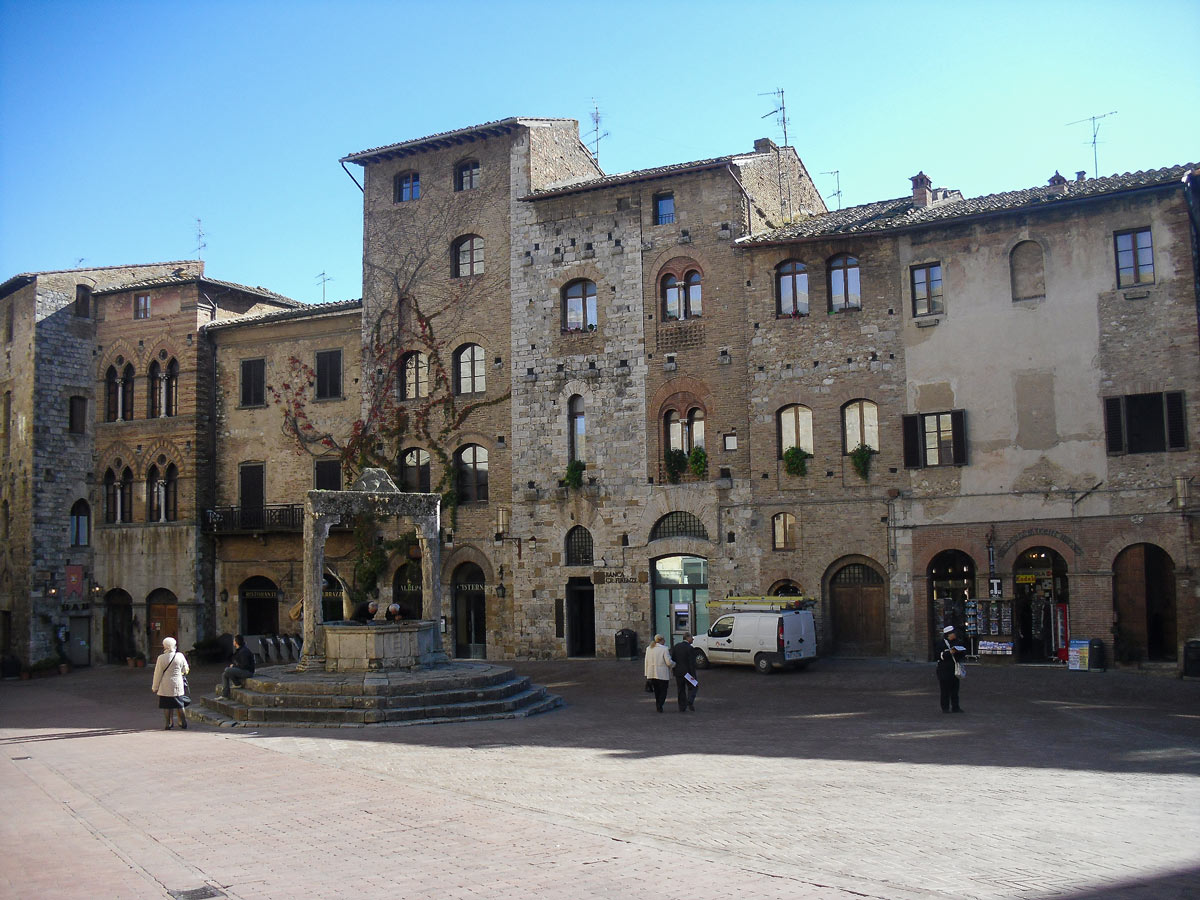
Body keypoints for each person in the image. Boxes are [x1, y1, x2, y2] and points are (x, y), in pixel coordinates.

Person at [151, 637, 190, 730]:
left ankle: (168, 723)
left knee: (167, 705)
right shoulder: (180, 656)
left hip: (165, 685)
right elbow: (185, 669)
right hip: (177, 683)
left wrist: (155, 686)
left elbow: (158, 674)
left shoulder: (161, 658)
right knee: (180, 704)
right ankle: (183, 722)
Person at [936, 625, 965, 713]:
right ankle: (945, 707)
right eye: (953, 633)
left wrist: (960, 652)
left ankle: (955, 707)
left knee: (955, 689)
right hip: (944, 670)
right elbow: (939, 656)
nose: (955, 634)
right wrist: (950, 653)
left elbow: (962, 654)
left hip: (954, 669)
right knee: (945, 690)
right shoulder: (941, 644)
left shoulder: (957, 642)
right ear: (948, 635)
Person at [643, 633, 675, 713]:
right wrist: (674, 664)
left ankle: (658, 704)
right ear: (662, 640)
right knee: (663, 691)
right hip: (662, 673)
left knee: (657, 691)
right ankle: (660, 704)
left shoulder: (649, 648)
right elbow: (668, 662)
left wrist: (647, 674)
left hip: (652, 673)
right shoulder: (664, 649)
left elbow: (646, 662)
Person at [670, 632, 698, 712]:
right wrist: (693, 675)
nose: (692, 639)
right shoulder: (690, 648)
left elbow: (673, 659)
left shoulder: (676, 646)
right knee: (694, 686)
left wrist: (674, 670)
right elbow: (691, 663)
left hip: (678, 672)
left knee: (680, 689)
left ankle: (682, 706)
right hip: (688, 673)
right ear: (687, 638)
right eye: (691, 637)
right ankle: (690, 700)